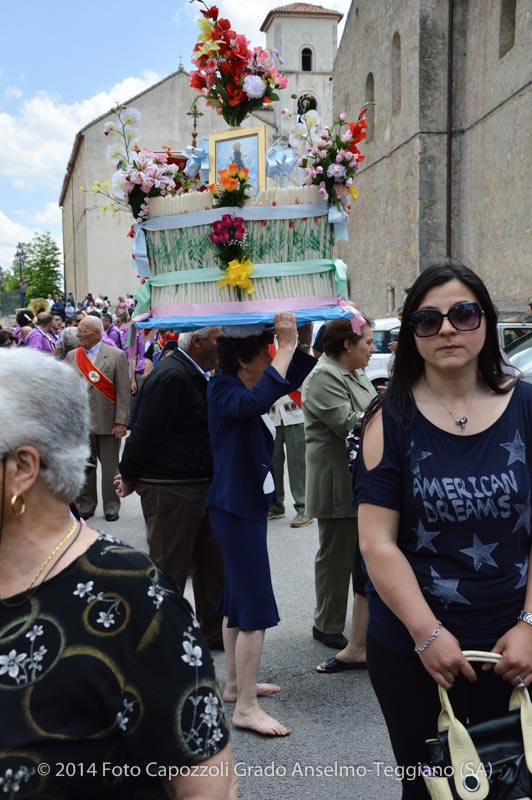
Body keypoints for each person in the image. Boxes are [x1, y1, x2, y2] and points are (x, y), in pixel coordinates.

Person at [0, 348, 236, 800]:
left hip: (180, 489)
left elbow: (207, 781)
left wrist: (128, 473)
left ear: (22, 469)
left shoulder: (131, 597)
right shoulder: (172, 373)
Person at [356, 260, 532, 800]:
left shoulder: (527, 405)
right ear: (412, 335)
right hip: (416, 650)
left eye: (462, 313)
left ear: (487, 320)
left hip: (517, 645)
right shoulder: (390, 417)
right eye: (428, 320)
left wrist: (530, 622)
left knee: (518, 783)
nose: (448, 329)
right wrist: (427, 636)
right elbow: (376, 542)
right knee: (432, 788)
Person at [206, 314, 315, 736]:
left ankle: (235, 685)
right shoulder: (224, 387)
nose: (272, 357)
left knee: (236, 600)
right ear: (245, 358)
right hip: (234, 507)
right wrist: (283, 347)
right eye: (266, 351)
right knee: (253, 606)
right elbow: (254, 403)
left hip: (240, 505)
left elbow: (297, 376)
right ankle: (246, 708)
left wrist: (299, 339)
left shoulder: (247, 382)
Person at [114, 328, 225, 650]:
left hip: (198, 483)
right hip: (171, 488)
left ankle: (212, 634)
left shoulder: (192, 371)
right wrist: (129, 476)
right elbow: (145, 432)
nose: (225, 344)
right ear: (200, 342)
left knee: (211, 565)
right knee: (169, 571)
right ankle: (161, 644)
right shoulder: (172, 375)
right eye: (220, 338)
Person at [302, 315, 376, 655]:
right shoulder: (323, 377)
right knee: (335, 557)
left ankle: (359, 623)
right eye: (368, 343)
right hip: (336, 483)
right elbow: (349, 424)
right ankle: (327, 625)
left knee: (360, 554)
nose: (373, 349)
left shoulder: (353, 372)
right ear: (348, 345)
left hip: (358, 478)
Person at [67, 316, 129, 522]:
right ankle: (86, 504)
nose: (78, 334)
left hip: (109, 422)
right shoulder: (72, 356)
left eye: (82, 331)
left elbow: (123, 393)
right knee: (86, 467)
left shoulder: (116, 355)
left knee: (111, 468)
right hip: (81, 423)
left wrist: (121, 422)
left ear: (96, 333)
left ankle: (111, 506)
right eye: (78, 330)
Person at [267, 324, 315, 527]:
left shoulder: (296, 345)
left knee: (298, 463)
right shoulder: (264, 345)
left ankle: (304, 507)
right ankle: (275, 505)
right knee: (273, 461)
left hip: (294, 410)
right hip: (272, 412)